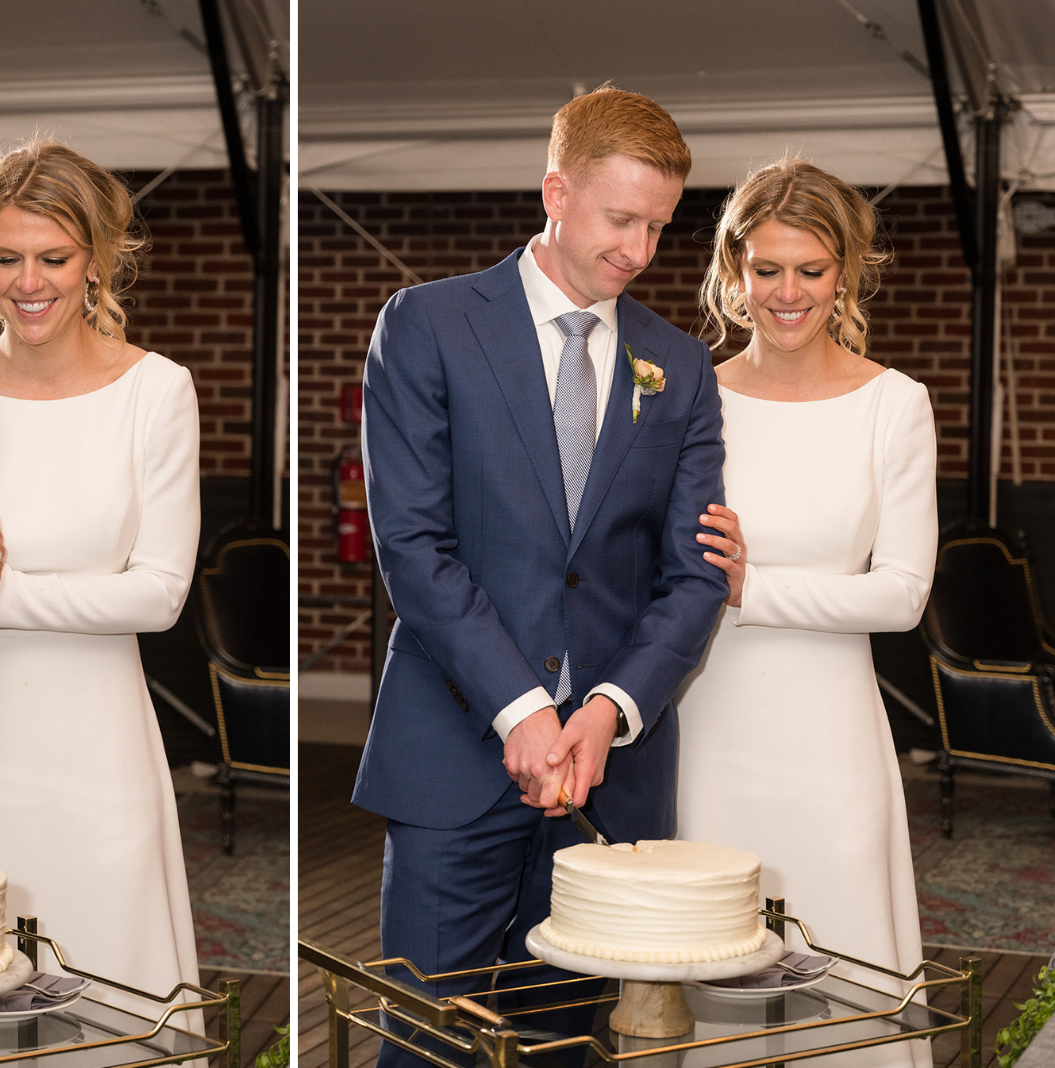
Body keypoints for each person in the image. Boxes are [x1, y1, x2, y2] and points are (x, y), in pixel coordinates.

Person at [355, 86, 728, 1062]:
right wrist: (522, 707)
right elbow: (414, 544)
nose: (640, 251)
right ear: (556, 190)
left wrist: (605, 710)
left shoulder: (678, 366)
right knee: (426, 1038)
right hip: (454, 758)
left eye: (658, 226)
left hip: (609, 779)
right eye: (622, 219)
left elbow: (693, 578)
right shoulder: (427, 325)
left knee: (566, 1039)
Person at [677, 158, 936, 1065]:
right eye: (767, 269)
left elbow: (903, 595)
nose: (787, 293)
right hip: (710, 726)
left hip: (832, 739)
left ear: (847, 273)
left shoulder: (894, 407)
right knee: (714, 977)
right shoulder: (686, 396)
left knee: (846, 981)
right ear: (733, 271)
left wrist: (755, 587)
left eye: (811, 270)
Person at [0, 140, 202, 1028]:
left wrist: (1, 594)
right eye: (5, 257)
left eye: (52, 258)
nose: (28, 282)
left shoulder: (156, 392)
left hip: (98, 750)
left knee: (107, 1002)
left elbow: (159, 593)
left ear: (94, 259)